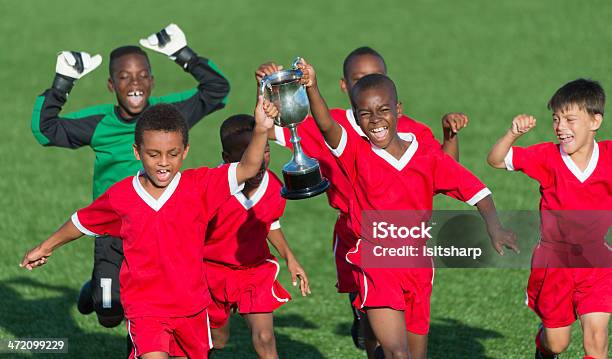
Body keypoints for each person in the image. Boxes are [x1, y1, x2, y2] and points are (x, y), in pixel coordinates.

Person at [21, 100, 273, 359]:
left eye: (172, 154)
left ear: (185, 151)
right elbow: (82, 221)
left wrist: (262, 129)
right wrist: (45, 247)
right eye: (153, 154)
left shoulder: (200, 186)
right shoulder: (121, 196)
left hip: (192, 308)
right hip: (146, 309)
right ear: (137, 152)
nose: (163, 163)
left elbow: (248, 168)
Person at [300, 59, 517, 359]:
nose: (375, 120)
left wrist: (495, 227)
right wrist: (312, 86)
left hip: (417, 264)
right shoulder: (355, 152)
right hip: (376, 262)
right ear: (356, 118)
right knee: (397, 353)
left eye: (383, 110)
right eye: (365, 114)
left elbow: (476, 190)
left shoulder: (427, 156)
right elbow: (325, 124)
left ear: (399, 110)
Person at [257, 46, 468, 354]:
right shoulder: (328, 123)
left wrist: (450, 136)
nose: (367, 82)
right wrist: (266, 87)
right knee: (374, 331)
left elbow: (445, 175)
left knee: (405, 332)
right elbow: (272, 127)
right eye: (358, 78)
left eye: (376, 76)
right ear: (344, 85)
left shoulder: (409, 130)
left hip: (402, 240)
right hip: (353, 238)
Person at [30, 23, 230, 328]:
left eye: (141, 76)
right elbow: (45, 130)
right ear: (111, 85)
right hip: (112, 230)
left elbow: (217, 91)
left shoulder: (168, 117)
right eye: (124, 77)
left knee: (147, 309)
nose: (134, 83)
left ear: (151, 80)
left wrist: (182, 53)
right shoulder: (99, 123)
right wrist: (63, 82)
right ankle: (95, 289)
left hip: (161, 228)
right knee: (110, 315)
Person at [487, 78, 611, 359]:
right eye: (556, 119)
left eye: (570, 119)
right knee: (557, 343)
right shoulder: (548, 157)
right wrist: (512, 134)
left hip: (596, 264)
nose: (560, 127)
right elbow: (495, 159)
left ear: (595, 121)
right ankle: (543, 350)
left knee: (597, 338)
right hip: (555, 264)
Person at [201, 114, 310, 358]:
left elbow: (269, 223)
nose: (259, 160)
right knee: (217, 340)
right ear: (227, 158)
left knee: (264, 336)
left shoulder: (273, 186)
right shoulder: (211, 186)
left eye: (265, 150)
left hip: (253, 270)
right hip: (211, 271)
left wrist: (290, 258)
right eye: (249, 153)